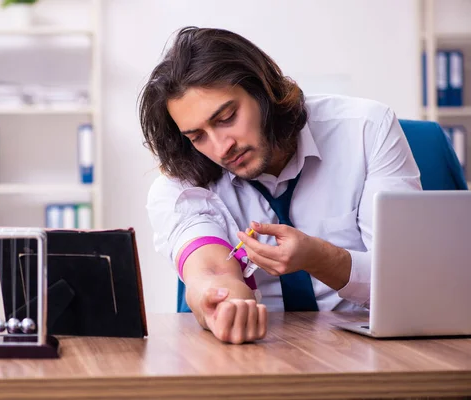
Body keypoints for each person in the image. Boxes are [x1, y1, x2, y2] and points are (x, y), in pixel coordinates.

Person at [138, 26, 422, 345]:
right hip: (261, 353)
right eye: (197, 136)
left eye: (227, 117)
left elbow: (406, 285)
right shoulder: (180, 184)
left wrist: (319, 257)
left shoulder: (366, 130)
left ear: (262, 91)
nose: (221, 147)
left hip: (371, 346)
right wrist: (223, 302)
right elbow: (210, 270)